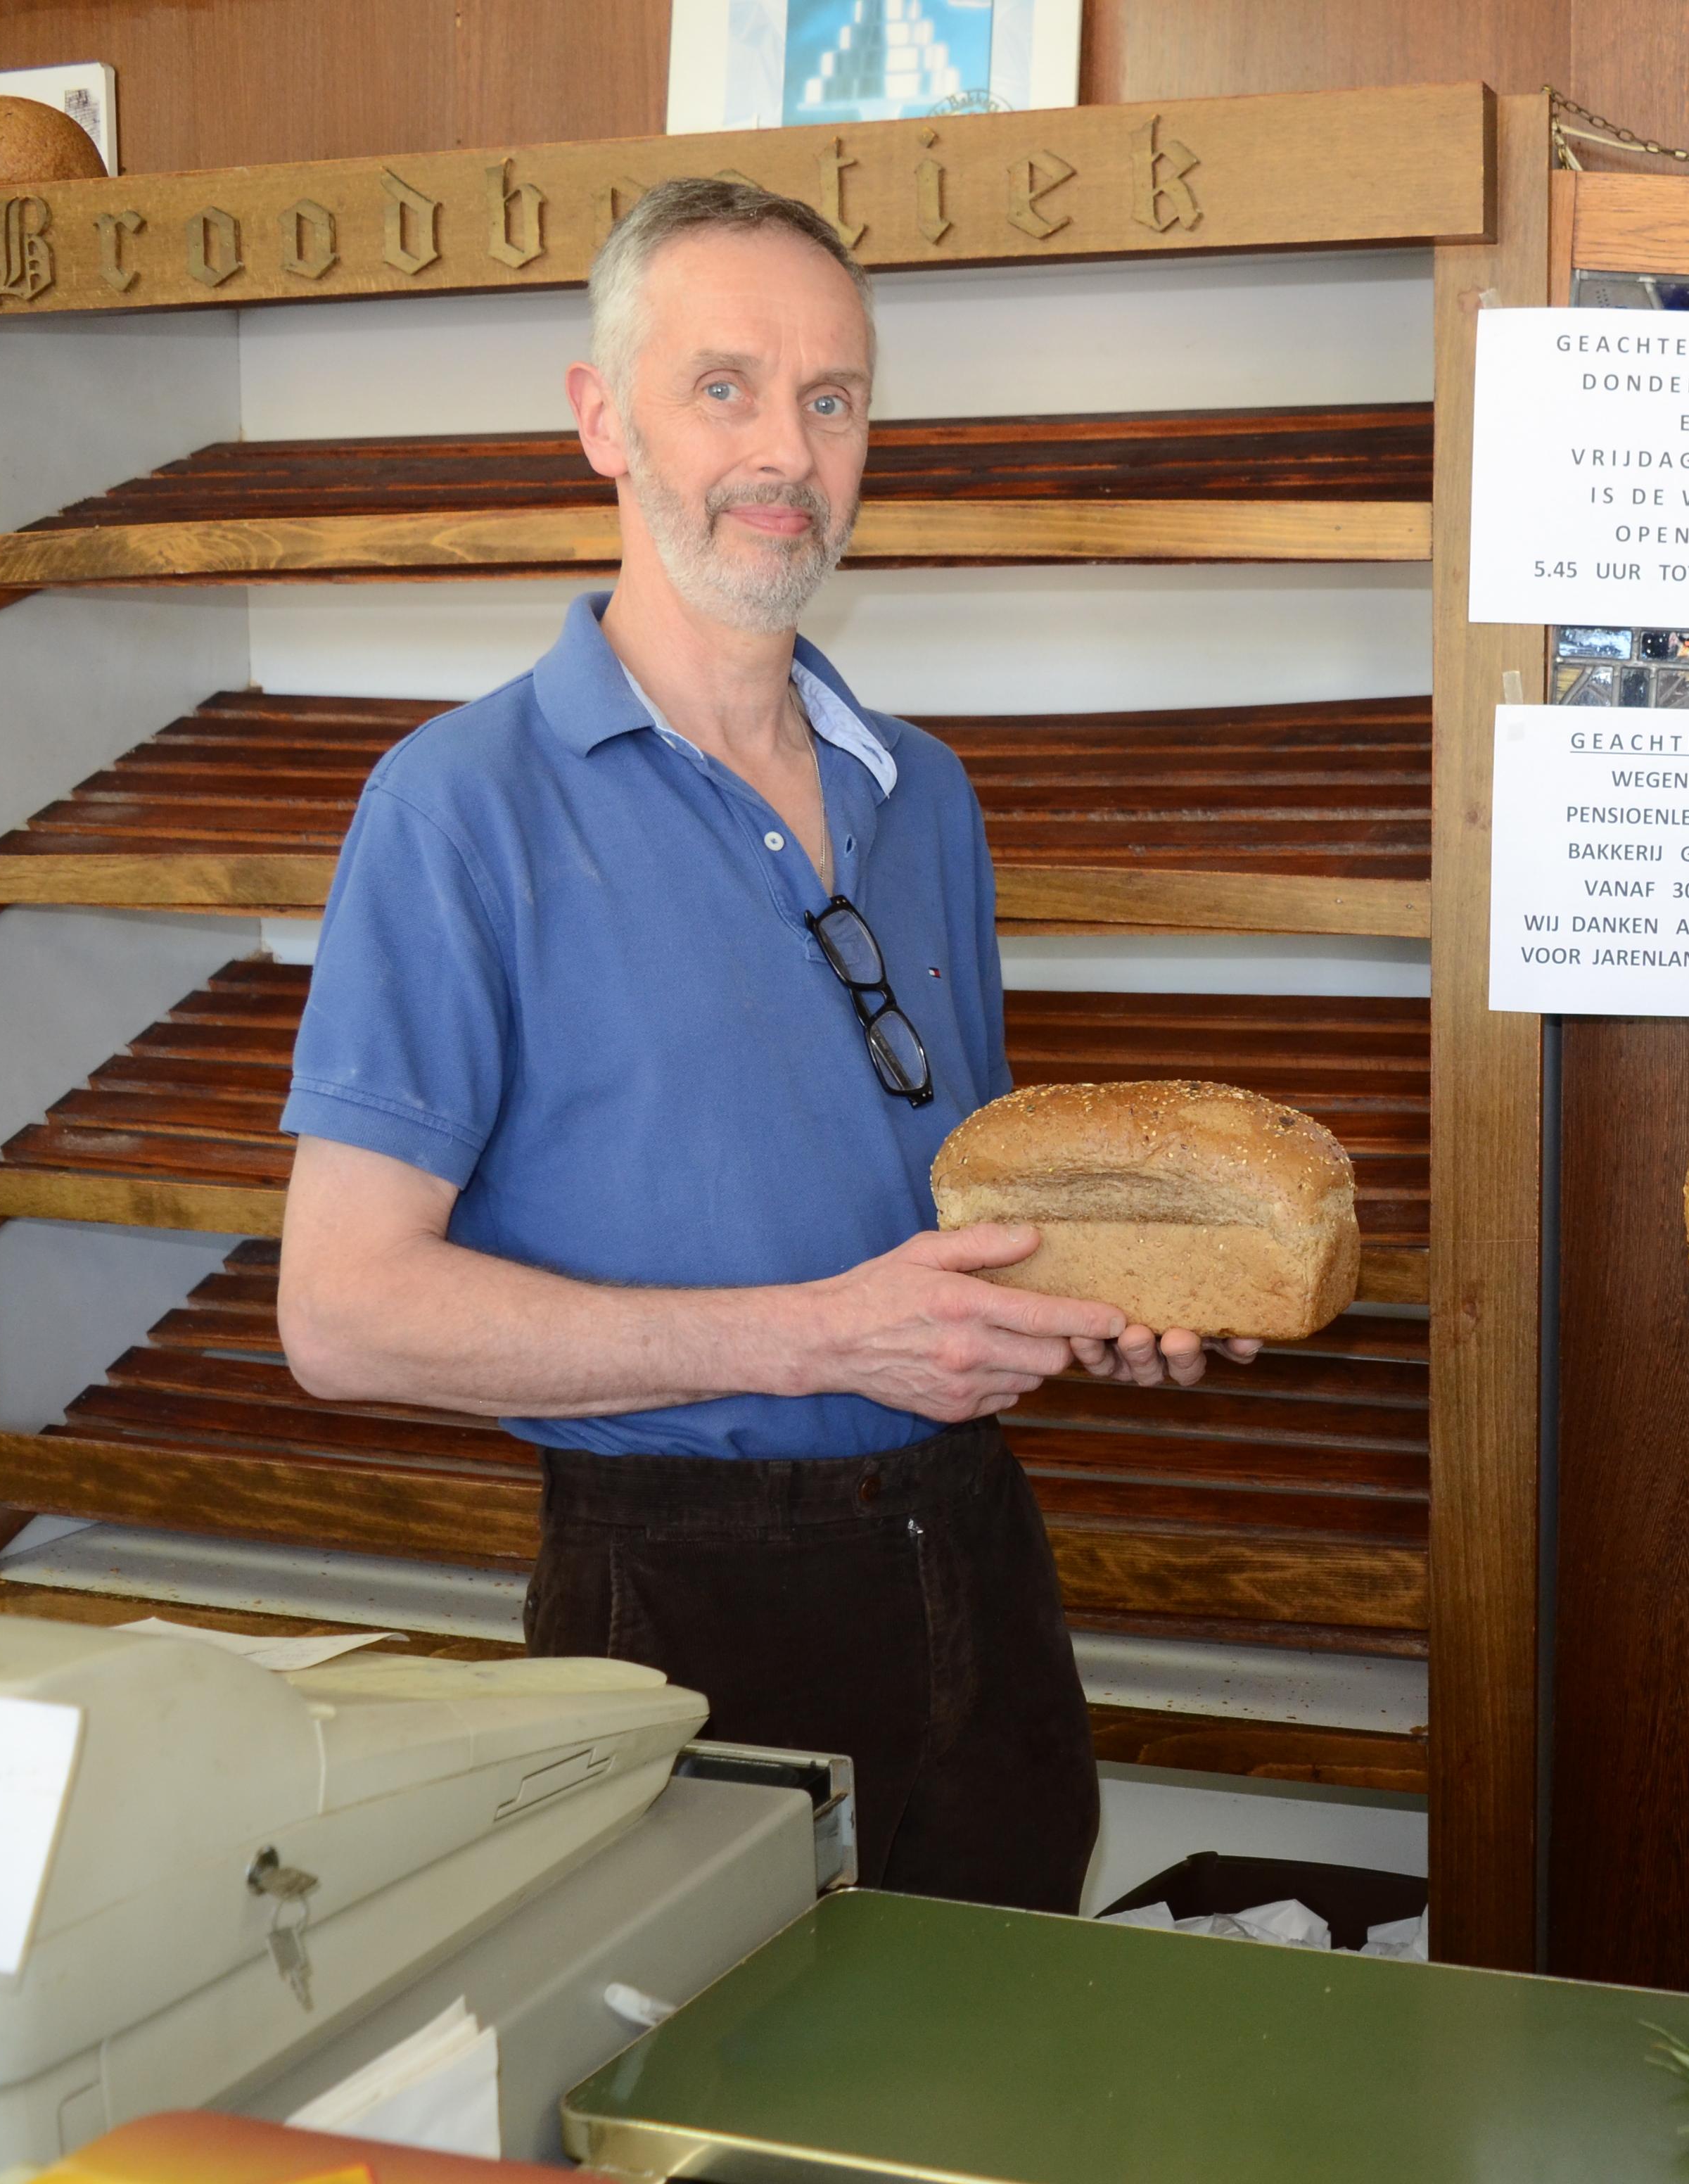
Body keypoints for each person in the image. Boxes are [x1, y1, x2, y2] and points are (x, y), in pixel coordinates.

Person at [273, 177, 1250, 1910]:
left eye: (832, 396)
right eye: (722, 385)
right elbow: (343, 1313)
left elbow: (952, 1216)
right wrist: (818, 1338)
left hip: (979, 1553)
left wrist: (1111, 1301)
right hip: (672, 1600)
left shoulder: (923, 792)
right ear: (602, 420)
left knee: (993, 2082)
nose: (784, 450)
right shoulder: (457, 806)